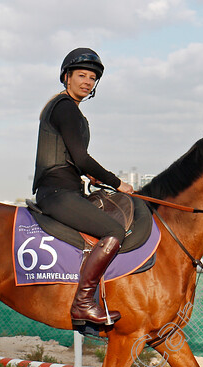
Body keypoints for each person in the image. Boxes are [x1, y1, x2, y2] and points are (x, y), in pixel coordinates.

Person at [32, 48, 134, 327]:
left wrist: (90, 176)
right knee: (114, 230)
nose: (87, 82)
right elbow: (81, 158)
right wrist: (117, 183)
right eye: (82, 75)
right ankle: (83, 304)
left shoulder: (67, 108)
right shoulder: (65, 107)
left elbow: (71, 159)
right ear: (67, 77)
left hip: (65, 188)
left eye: (92, 78)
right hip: (57, 193)